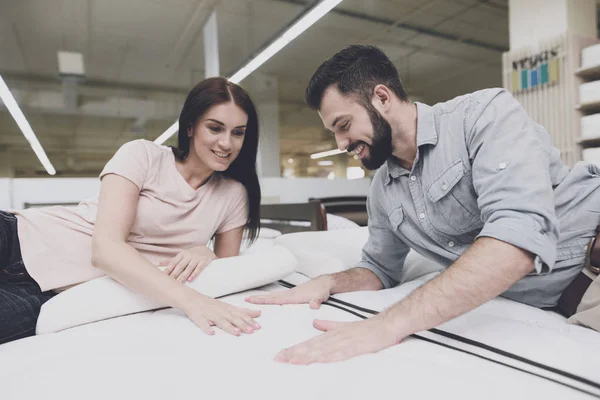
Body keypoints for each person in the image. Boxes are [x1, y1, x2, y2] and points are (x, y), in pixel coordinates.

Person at [246, 44, 600, 364]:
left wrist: (387, 325)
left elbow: (517, 239)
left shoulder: (482, 116)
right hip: (563, 306)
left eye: (343, 125)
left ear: (382, 98)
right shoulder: (383, 191)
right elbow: (380, 269)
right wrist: (330, 281)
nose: (340, 143)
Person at [0, 77, 263, 345]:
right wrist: (191, 301)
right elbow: (106, 250)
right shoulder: (143, 155)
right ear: (190, 127)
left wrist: (207, 253)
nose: (226, 143)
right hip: (18, 239)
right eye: (215, 128)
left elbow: (228, 272)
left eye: (238, 132)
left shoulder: (234, 195)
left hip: (53, 294)